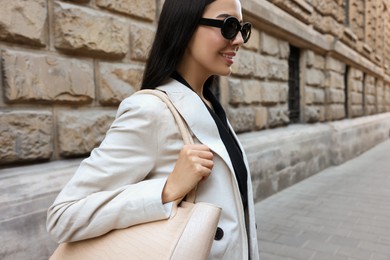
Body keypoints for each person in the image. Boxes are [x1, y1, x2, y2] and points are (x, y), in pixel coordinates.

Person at [47, 0, 259, 259]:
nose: (238, 40)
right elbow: (64, 215)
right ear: (185, 26)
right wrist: (165, 190)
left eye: (243, 29)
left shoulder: (211, 107)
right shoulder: (150, 111)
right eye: (228, 26)